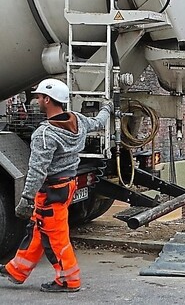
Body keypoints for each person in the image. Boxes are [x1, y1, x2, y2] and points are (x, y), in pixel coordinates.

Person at [0, 78, 112, 293]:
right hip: (65, 186)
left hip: (51, 191)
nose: (37, 100)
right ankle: (17, 270)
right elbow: (98, 122)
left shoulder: (45, 135)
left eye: (40, 97)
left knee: (55, 238)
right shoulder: (78, 121)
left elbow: (37, 172)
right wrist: (107, 107)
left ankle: (69, 280)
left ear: (48, 100)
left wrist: (26, 199)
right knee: (37, 229)